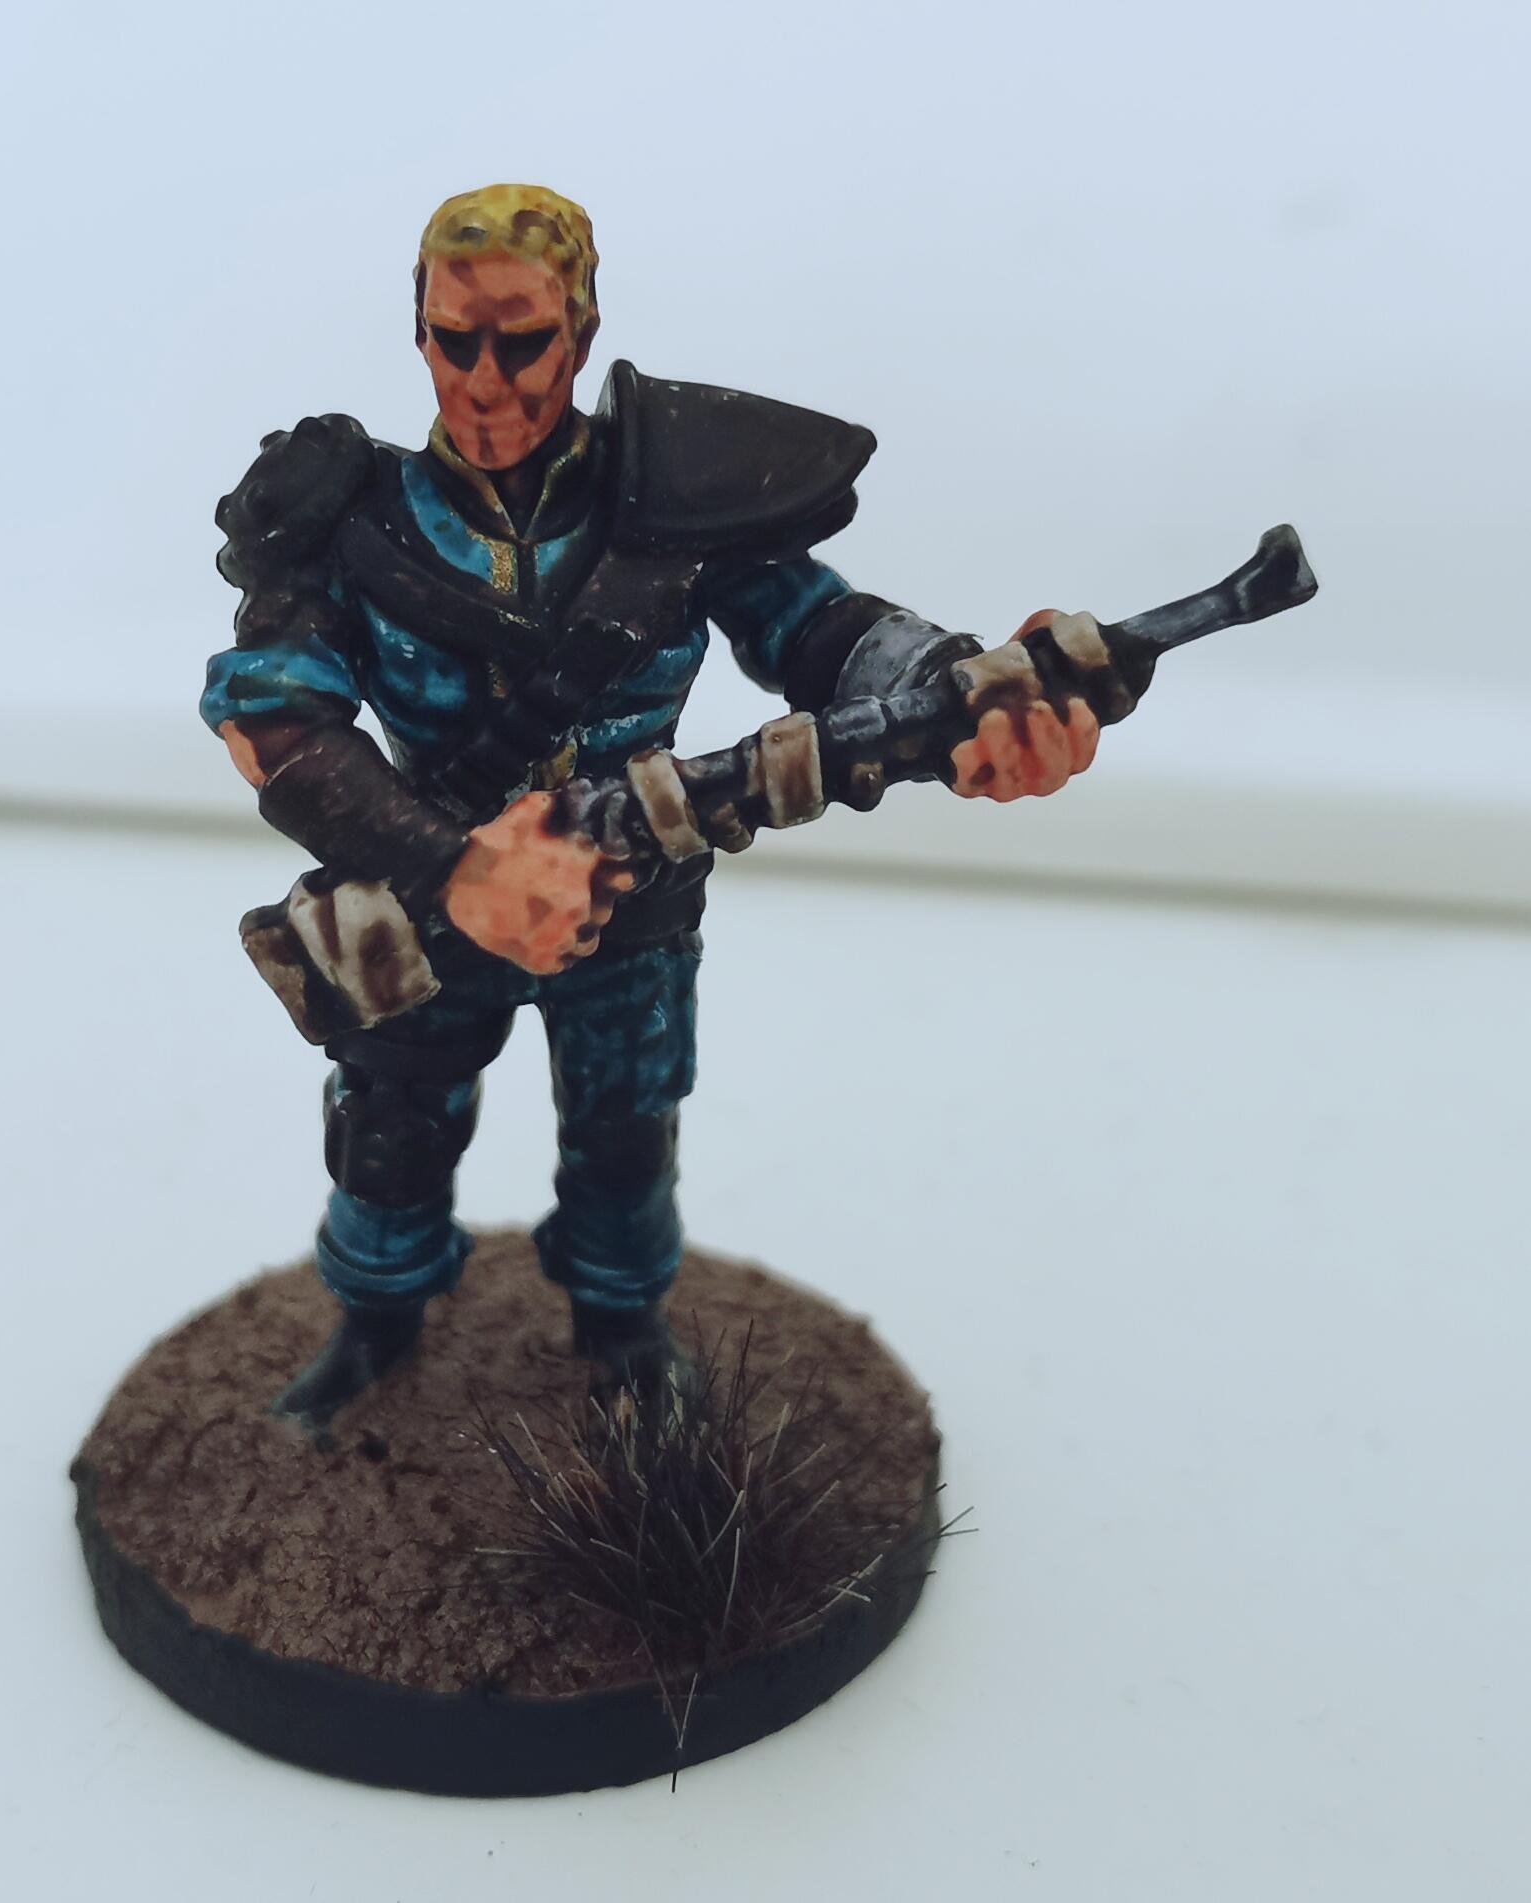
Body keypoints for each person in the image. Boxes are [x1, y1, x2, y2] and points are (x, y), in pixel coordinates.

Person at [202, 183, 1110, 1428]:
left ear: (579, 331)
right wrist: (455, 867)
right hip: (424, 890)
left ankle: (622, 1323)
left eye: (522, 341)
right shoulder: (348, 516)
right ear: (416, 331)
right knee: (391, 1132)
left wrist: (970, 696)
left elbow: (824, 631)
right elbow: (275, 726)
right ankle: (376, 1320)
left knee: (626, 1129)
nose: (484, 380)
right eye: (453, 340)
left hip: (634, 890)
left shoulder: (676, 500)